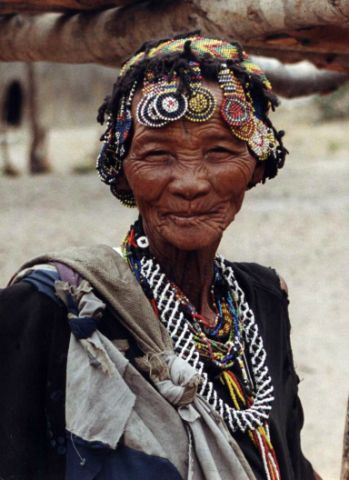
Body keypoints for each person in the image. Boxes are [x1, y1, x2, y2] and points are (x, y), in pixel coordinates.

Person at [0, 33, 320, 480]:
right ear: (122, 169)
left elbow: (288, 459)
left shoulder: (264, 298)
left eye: (220, 152)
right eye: (157, 154)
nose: (190, 181)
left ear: (259, 164)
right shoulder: (51, 307)